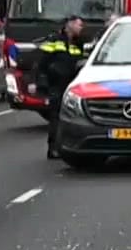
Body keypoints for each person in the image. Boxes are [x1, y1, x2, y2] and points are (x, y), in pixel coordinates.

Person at [35, 15, 91, 159]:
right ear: (70, 25)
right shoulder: (54, 40)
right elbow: (41, 62)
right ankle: (53, 148)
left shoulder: (78, 43)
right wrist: (40, 83)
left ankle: (68, 146)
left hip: (72, 85)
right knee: (56, 117)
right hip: (56, 84)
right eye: (79, 25)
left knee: (71, 117)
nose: (81, 28)